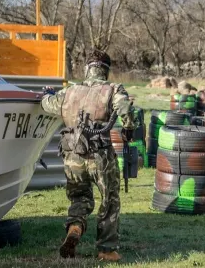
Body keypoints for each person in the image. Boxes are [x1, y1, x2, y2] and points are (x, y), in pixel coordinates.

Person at [40, 49, 138, 261]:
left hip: (72, 155)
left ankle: (75, 227)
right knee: (109, 200)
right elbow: (125, 109)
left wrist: (47, 94)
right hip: (100, 156)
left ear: (87, 69)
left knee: (79, 197)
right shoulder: (112, 88)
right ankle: (106, 249)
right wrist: (128, 129)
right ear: (106, 70)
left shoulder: (70, 91)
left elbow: (47, 104)